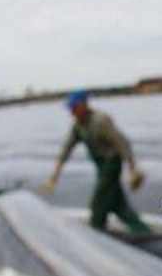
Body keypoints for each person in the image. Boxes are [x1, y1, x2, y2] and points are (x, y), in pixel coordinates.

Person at [42, 90, 150, 234]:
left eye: (74, 107)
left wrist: (132, 168)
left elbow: (122, 143)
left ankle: (96, 232)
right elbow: (66, 149)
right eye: (70, 108)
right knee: (118, 204)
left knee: (98, 203)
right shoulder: (78, 125)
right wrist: (54, 176)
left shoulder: (99, 121)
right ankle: (142, 231)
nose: (71, 111)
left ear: (83, 105)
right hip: (101, 167)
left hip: (111, 165)